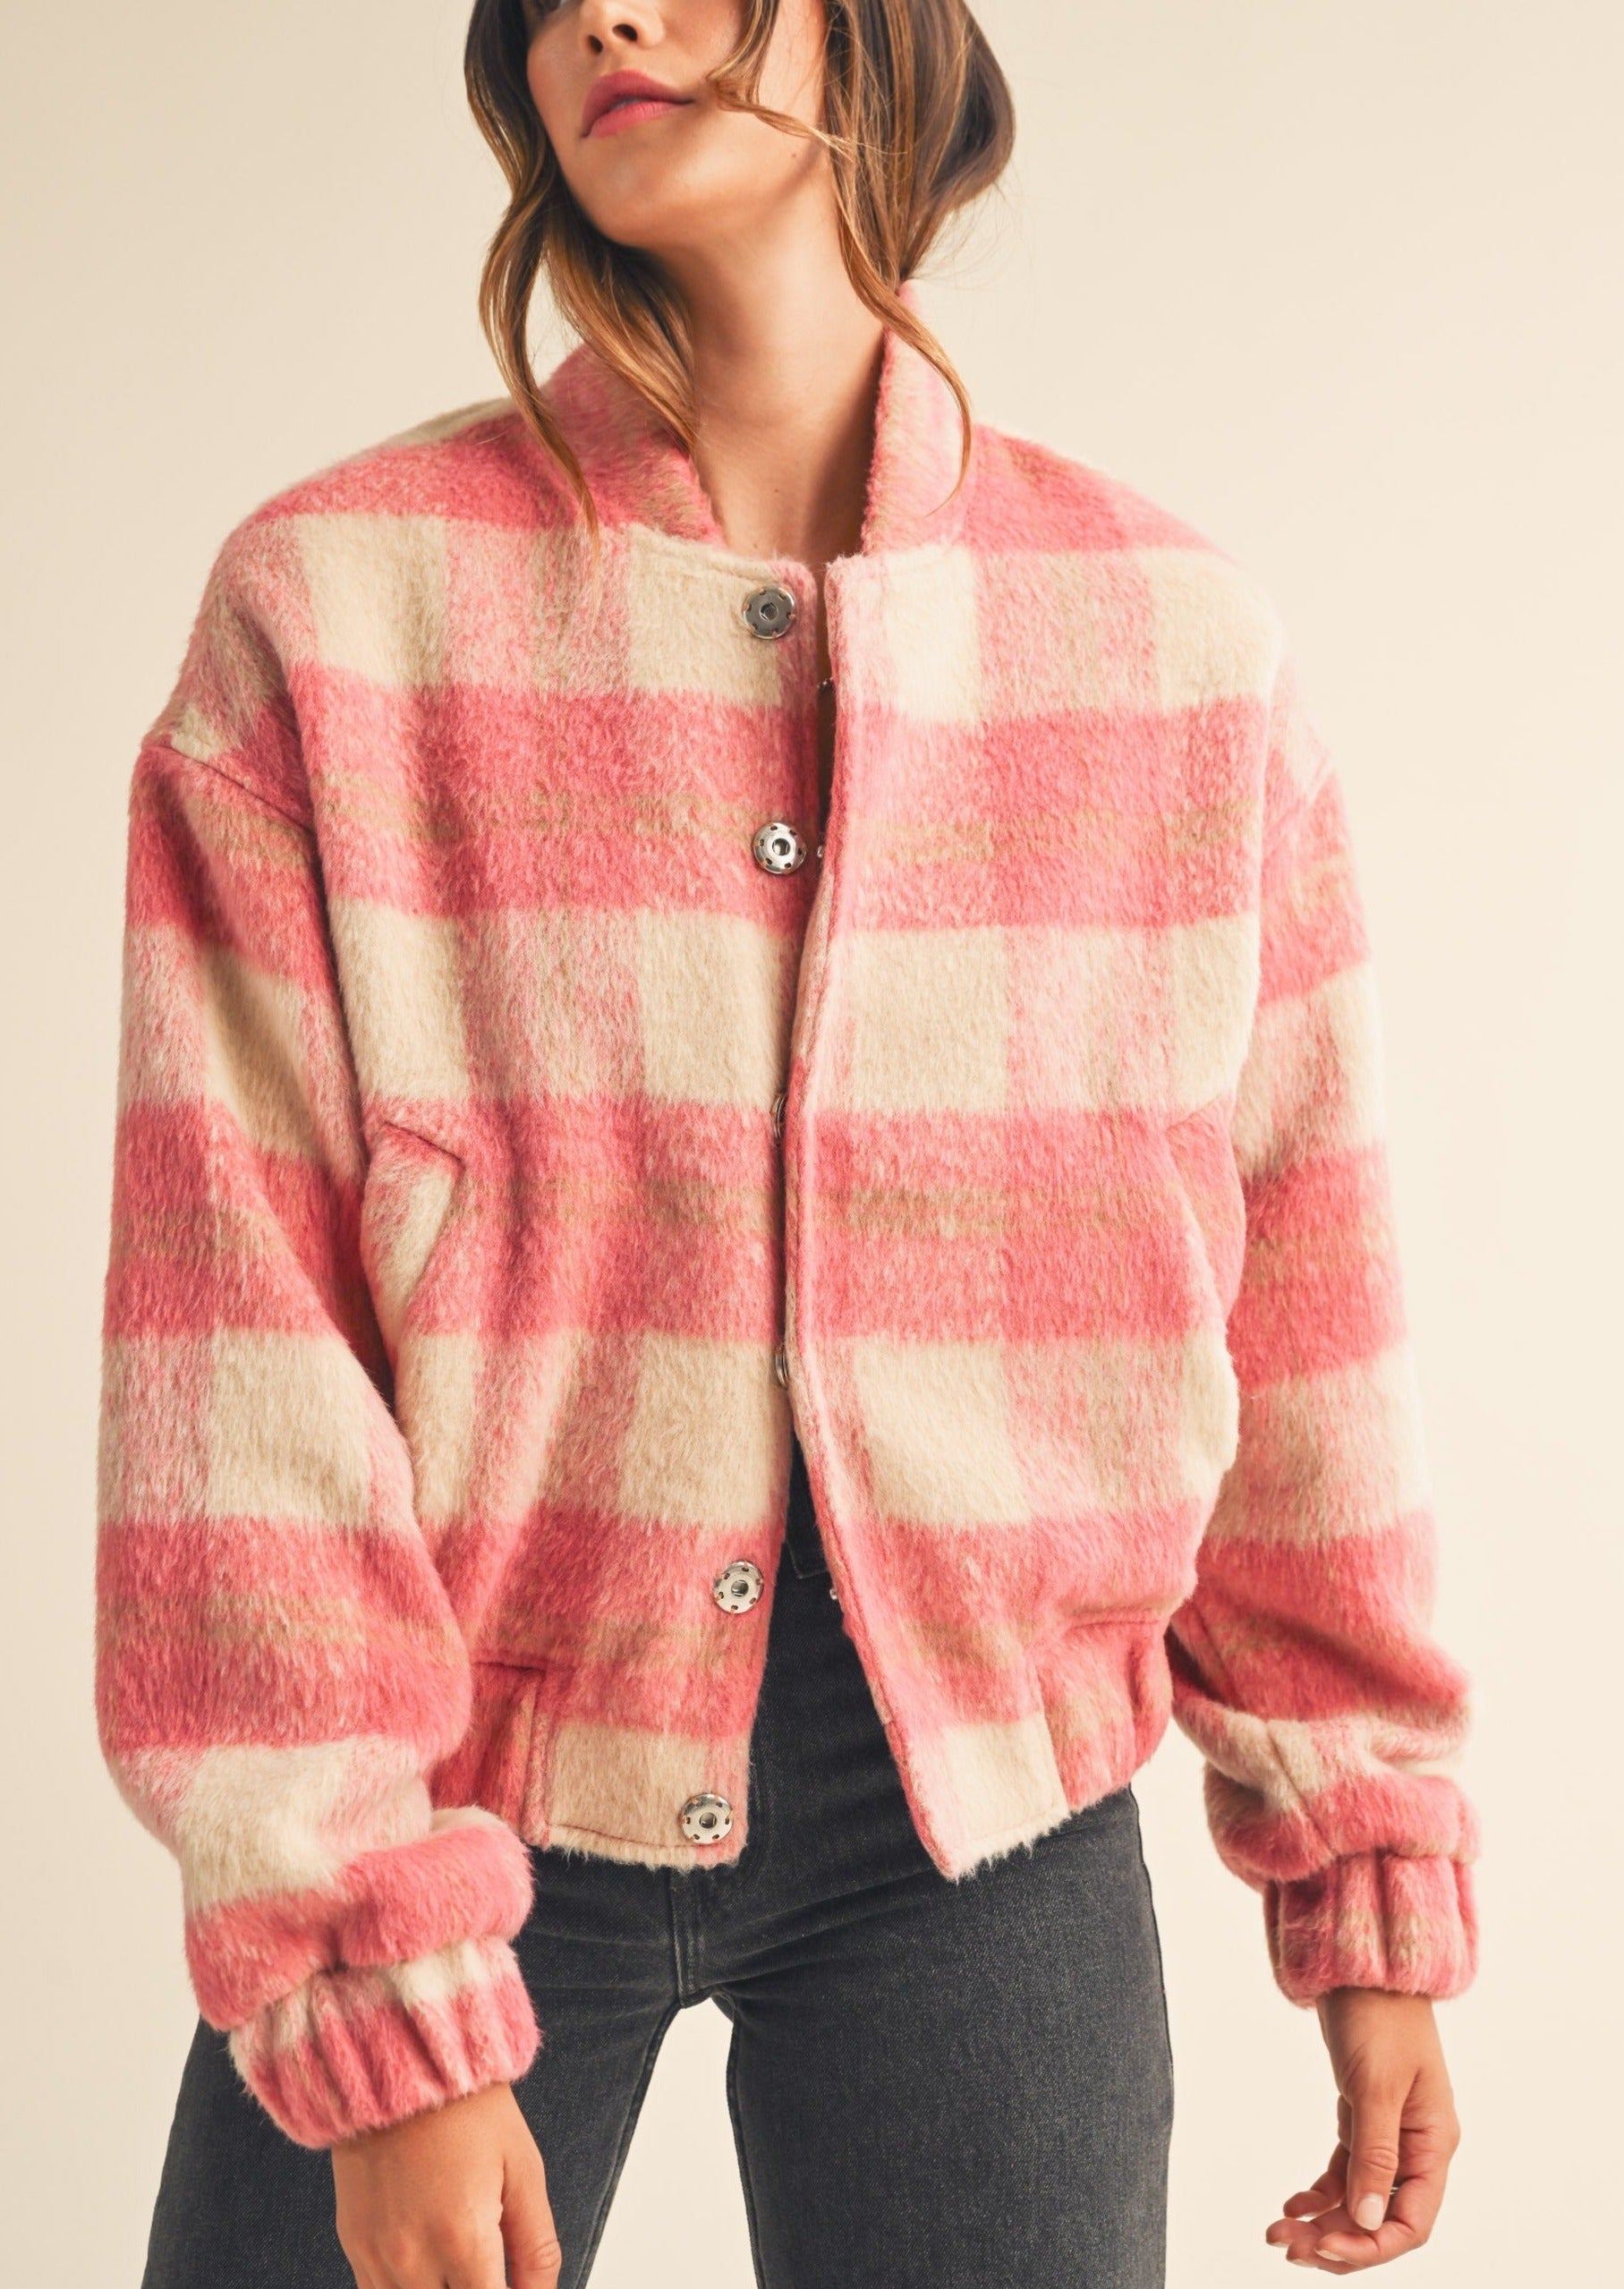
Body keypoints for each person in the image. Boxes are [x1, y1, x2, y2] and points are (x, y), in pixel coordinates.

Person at [96, 4, 1479, 2285]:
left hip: (990, 1821)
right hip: (468, 1795)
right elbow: (235, 1341)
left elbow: (1297, 1284)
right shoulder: (334, 615)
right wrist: (373, 1983)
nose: (602, 18)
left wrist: (1367, 1861)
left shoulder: (1170, 647)